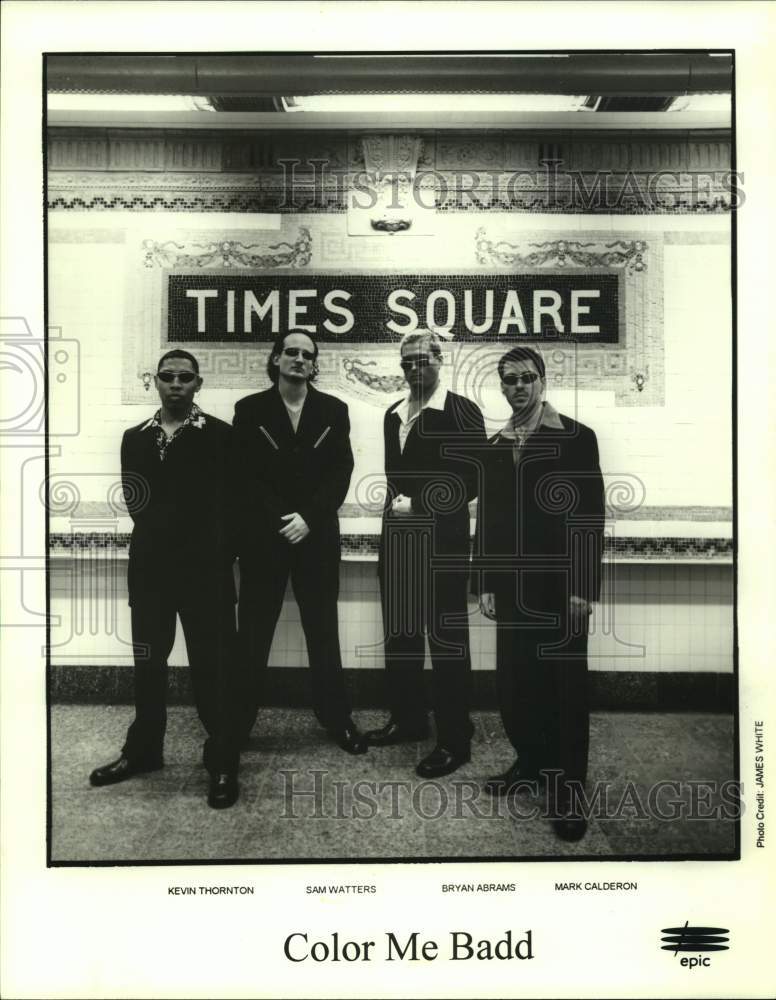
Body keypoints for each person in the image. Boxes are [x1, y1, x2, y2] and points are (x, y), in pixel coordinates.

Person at [90, 350, 241, 809]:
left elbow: (231, 509)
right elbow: (138, 503)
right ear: (155, 382)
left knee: (212, 671)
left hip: (206, 573)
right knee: (149, 667)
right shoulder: (134, 438)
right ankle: (144, 751)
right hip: (152, 571)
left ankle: (222, 761)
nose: (176, 384)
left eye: (185, 378)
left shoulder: (221, 436)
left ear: (198, 384)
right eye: (168, 377)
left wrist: (208, 553)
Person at [475, 346, 605, 841]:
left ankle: (569, 792)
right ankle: (530, 763)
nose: (519, 387)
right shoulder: (495, 445)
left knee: (565, 693)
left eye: (527, 378)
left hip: (560, 592)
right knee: (516, 687)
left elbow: (588, 517)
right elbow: (487, 518)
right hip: (512, 592)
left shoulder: (575, 438)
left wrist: (581, 589)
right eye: (509, 380)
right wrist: (484, 580)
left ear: (542, 380)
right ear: (502, 386)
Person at [232, 331, 366, 754]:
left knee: (323, 630)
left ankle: (337, 718)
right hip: (265, 539)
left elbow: (341, 470)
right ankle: (236, 724)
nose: (299, 359)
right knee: (253, 632)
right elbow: (244, 474)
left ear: (314, 365)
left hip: (317, 536)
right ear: (275, 359)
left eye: (308, 355)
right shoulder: (249, 409)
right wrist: (280, 519)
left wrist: (309, 518)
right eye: (291, 352)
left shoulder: (333, 409)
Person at [366, 331, 487, 777]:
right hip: (399, 545)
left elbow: (472, 481)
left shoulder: (461, 411)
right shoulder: (392, 414)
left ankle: (456, 739)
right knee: (401, 638)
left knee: (448, 644)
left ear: (440, 359)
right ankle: (410, 720)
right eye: (407, 363)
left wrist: (420, 504)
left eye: (422, 360)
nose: (414, 369)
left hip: (443, 547)